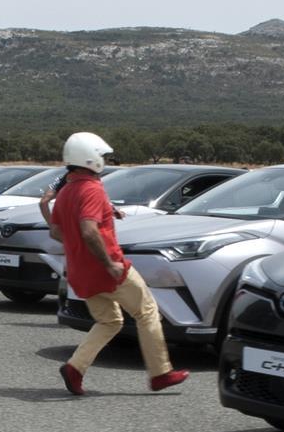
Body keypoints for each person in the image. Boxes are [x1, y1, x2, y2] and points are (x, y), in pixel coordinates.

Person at [50, 131, 188, 396]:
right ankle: (160, 373)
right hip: (108, 267)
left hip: (81, 272)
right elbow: (89, 230)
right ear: (91, 159)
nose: (104, 159)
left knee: (110, 321)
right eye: (102, 155)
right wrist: (109, 263)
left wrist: (103, 212)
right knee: (147, 311)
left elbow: (56, 231)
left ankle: (75, 368)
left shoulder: (67, 190)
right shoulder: (91, 189)